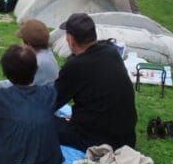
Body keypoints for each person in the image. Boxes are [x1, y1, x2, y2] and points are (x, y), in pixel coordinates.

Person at [53, 13, 137, 150]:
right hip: (126, 137)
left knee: (41, 122)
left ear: (71, 40)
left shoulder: (75, 66)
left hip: (95, 138)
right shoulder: (111, 52)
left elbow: (52, 101)